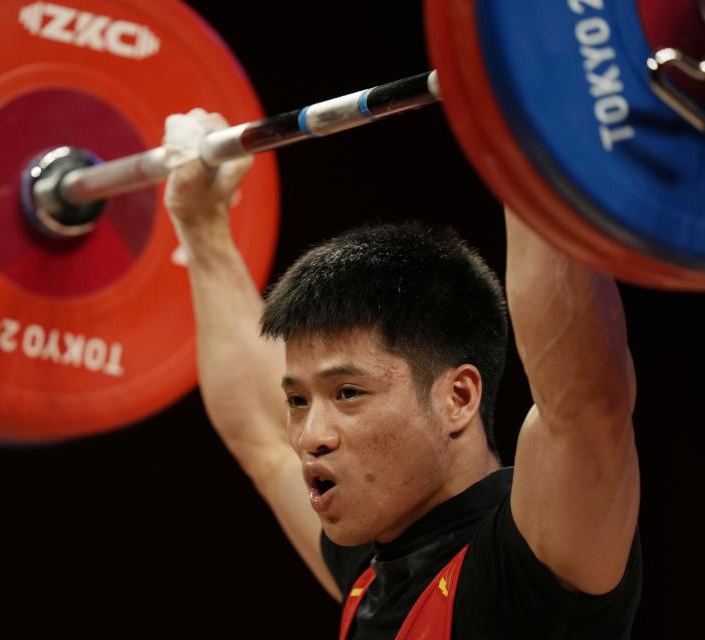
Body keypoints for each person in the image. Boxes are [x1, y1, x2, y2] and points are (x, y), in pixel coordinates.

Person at [161, 109, 642, 639]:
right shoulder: (374, 567)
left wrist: (534, 130)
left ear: (458, 397)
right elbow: (262, 436)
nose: (309, 438)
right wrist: (201, 224)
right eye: (299, 400)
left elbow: (585, 403)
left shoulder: (528, 567)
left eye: (348, 392)